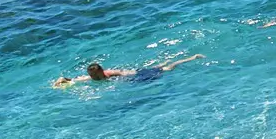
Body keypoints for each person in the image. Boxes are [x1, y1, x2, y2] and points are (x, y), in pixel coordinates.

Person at [52, 54, 200, 88]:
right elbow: (74, 79)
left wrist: (132, 79)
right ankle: (165, 61)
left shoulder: (111, 73)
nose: (91, 77)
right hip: (137, 75)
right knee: (160, 67)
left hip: (138, 74)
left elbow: (125, 73)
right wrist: (62, 80)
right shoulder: (93, 78)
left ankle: (190, 58)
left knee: (167, 69)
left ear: (100, 72)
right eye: (90, 75)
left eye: (93, 74)